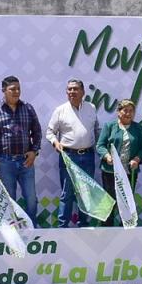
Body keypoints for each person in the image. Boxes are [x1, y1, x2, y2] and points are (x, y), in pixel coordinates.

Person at [0, 76, 43, 226]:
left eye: (18, 88)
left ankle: (32, 230)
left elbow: (37, 132)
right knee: (9, 201)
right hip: (4, 163)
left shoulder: (27, 108)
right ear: (4, 90)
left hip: (26, 162)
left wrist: (34, 151)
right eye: (12, 89)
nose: (16, 92)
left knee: (31, 199)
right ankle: (12, 233)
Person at [46, 78, 99, 227]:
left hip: (88, 156)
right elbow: (50, 132)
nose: (72, 92)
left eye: (75, 89)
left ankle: (84, 225)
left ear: (83, 92)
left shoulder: (91, 107)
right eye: (69, 89)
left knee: (86, 193)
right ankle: (63, 227)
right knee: (67, 193)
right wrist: (55, 142)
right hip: (68, 156)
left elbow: (97, 129)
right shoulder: (60, 110)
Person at [96, 99, 142, 227]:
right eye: (125, 110)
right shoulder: (109, 126)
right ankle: (107, 230)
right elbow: (100, 145)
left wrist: (137, 159)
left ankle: (125, 230)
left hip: (129, 173)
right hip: (110, 172)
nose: (128, 114)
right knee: (110, 202)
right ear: (118, 112)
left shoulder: (139, 128)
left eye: (131, 111)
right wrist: (107, 156)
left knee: (126, 203)